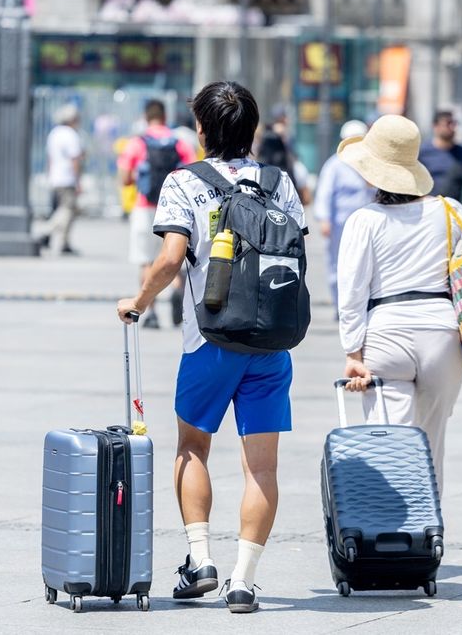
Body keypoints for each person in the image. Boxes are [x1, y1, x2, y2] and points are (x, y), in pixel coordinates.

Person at [116, 81, 306, 615]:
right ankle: (244, 580)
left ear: (202, 129)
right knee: (261, 468)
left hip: (209, 339)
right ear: (252, 129)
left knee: (193, 447)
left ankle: (200, 560)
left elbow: (172, 259)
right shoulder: (279, 182)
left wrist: (139, 300)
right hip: (270, 340)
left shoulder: (184, 182)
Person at [335, 114, 462, 488]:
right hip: (442, 334)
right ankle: (430, 535)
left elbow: (352, 292)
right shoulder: (450, 211)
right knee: (431, 443)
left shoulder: (365, 220)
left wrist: (352, 352)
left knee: (391, 446)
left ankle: (393, 533)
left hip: (385, 334)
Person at [118, 99, 197, 329]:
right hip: (173, 206)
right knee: (175, 255)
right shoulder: (179, 142)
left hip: (144, 208)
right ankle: (176, 290)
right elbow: (191, 174)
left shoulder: (137, 143)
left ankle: (150, 311)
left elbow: (124, 178)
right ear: (164, 116)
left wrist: (140, 178)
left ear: (146, 116)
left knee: (146, 260)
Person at [313, 119, 376, 311]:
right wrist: (324, 219)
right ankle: (340, 305)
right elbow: (324, 193)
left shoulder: (372, 164)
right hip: (340, 224)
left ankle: (362, 304)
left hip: (367, 223)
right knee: (337, 265)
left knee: (364, 264)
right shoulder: (334, 165)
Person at [40, 103, 84, 257]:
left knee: (65, 210)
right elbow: (75, 160)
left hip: (55, 177)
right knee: (68, 210)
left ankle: (64, 242)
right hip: (67, 177)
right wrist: (78, 180)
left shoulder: (55, 133)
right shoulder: (71, 135)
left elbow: (50, 158)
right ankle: (46, 231)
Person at [420, 110, 462, 211]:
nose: (452, 128)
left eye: (454, 123)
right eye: (448, 123)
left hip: (454, 211)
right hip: (428, 210)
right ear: (435, 126)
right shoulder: (422, 152)